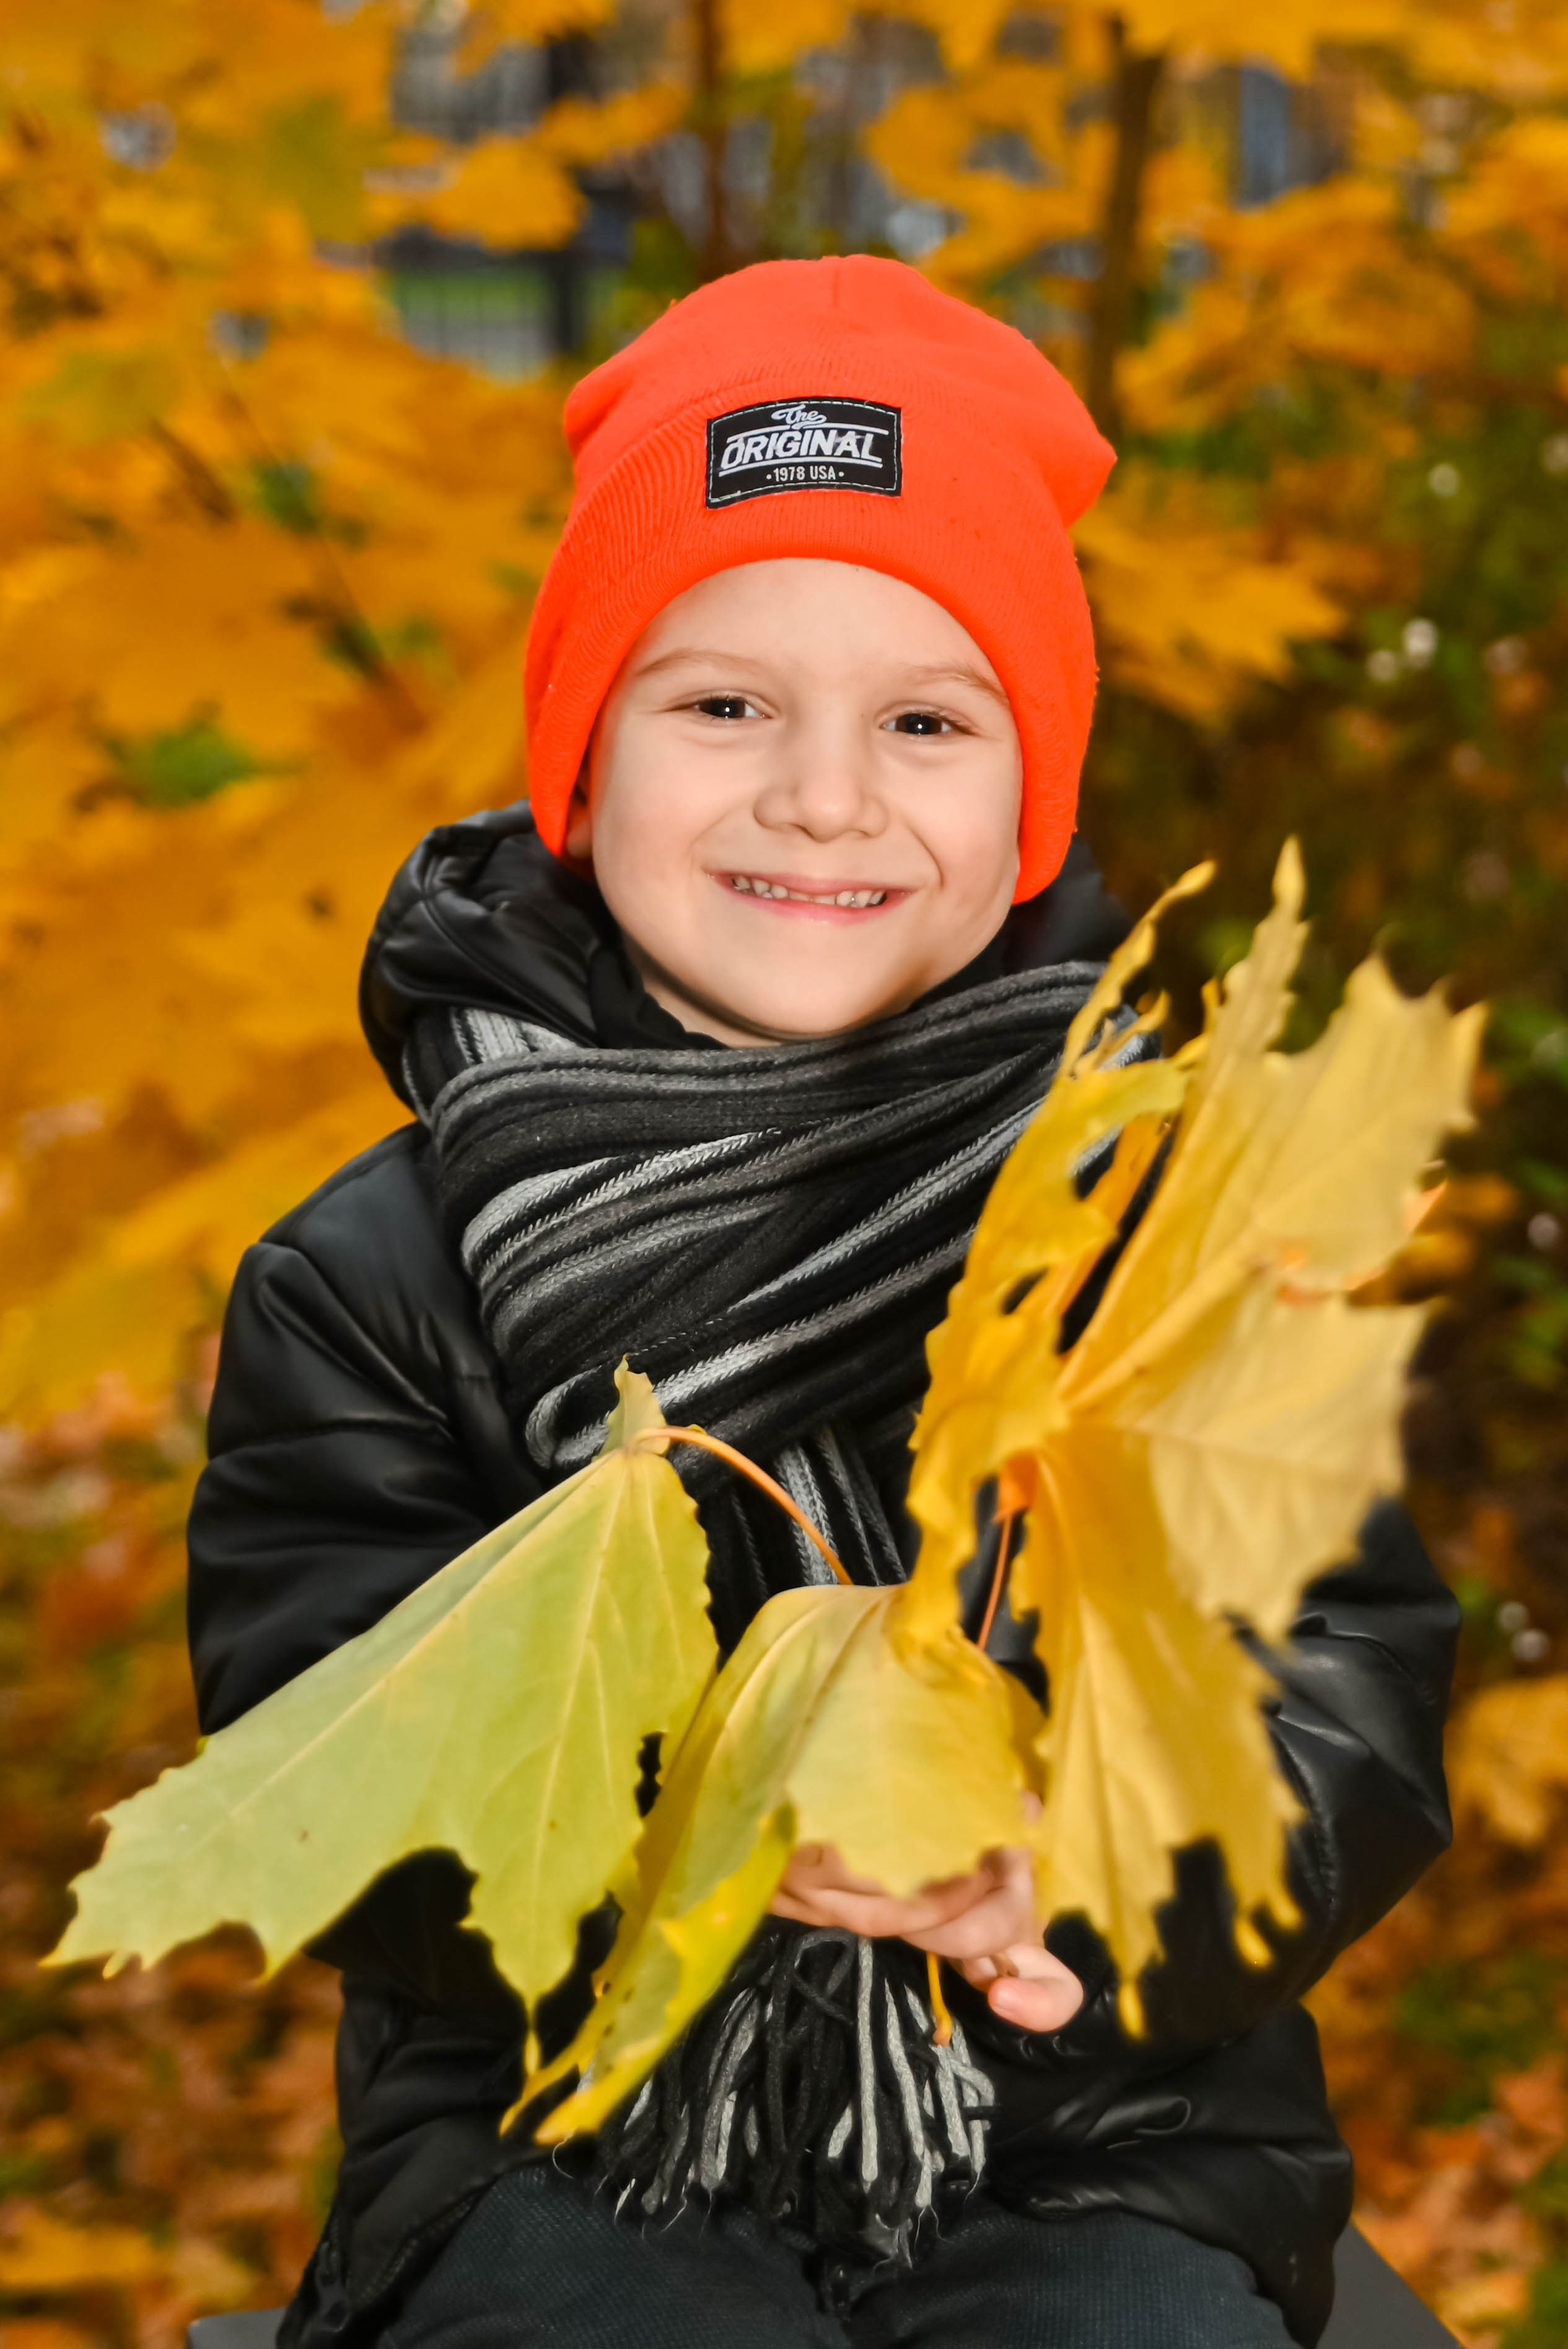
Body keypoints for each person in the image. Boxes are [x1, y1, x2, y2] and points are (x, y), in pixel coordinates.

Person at [186, 258, 1458, 2349]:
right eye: (724, 703)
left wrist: (1093, 1861)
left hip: (1102, 2119)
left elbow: (1343, 1673)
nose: (824, 796)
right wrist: (682, 1830)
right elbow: (322, 1750)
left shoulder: (1161, 1228)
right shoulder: (376, 1280)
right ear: (583, 761)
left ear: (1026, 797)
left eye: (926, 723)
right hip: (558, 2127)